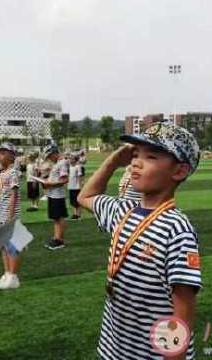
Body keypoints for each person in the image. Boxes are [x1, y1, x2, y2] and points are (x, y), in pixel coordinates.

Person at [78, 122, 202, 360]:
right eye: (134, 154)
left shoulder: (177, 230)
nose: (136, 162)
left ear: (178, 171)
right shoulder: (122, 211)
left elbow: (183, 310)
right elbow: (86, 196)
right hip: (115, 348)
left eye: (151, 156)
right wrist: (115, 160)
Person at [0, 143, 22, 290]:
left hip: (9, 216)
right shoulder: (2, 173)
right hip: (0, 215)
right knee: (3, 245)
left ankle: (13, 276)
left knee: (13, 246)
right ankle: (7, 274)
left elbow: (14, 196)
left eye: (2, 153)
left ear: (11, 155)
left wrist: (10, 217)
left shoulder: (13, 172)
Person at [43, 145, 69, 250]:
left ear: (54, 153)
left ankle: (60, 240)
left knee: (59, 218)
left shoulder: (62, 163)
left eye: (50, 156)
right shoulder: (57, 163)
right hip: (53, 194)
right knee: (56, 218)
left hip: (57, 195)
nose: (49, 158)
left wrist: (50, 184)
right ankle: (56, 237)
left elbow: (64, 180)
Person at [68, 154, 83, 220]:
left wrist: (80, 186)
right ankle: (75, 214)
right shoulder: (69, 167)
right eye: (70, 159)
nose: (70, 160)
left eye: (72, 159)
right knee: (73, 201)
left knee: (77, 202)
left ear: (75, 160)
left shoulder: (78, 167)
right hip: (71, 186)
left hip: (76, 187)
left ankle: (78, 214)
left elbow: (80, 177)